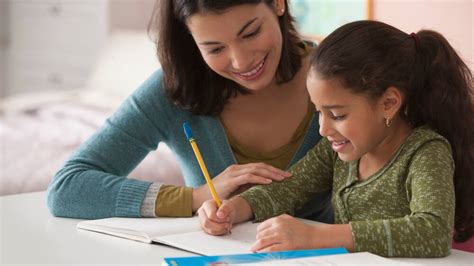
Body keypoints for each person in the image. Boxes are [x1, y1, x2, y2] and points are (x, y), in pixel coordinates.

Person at [198, 20, 474, 257]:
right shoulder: (337, 151)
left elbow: (433, 232)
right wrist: (235, 208)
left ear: (388, 103)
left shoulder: (425, 151)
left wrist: (319, 237)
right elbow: (288, 188)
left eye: (337, 115)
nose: (323, 129)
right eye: (318, 112)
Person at [46, 0, 333, 222]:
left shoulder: (341, 78)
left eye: (251, 33)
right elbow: (68, 187)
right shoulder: (175, 90)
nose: (241, 60)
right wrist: (196, 198)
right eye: (215, 49)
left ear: (278, 3)